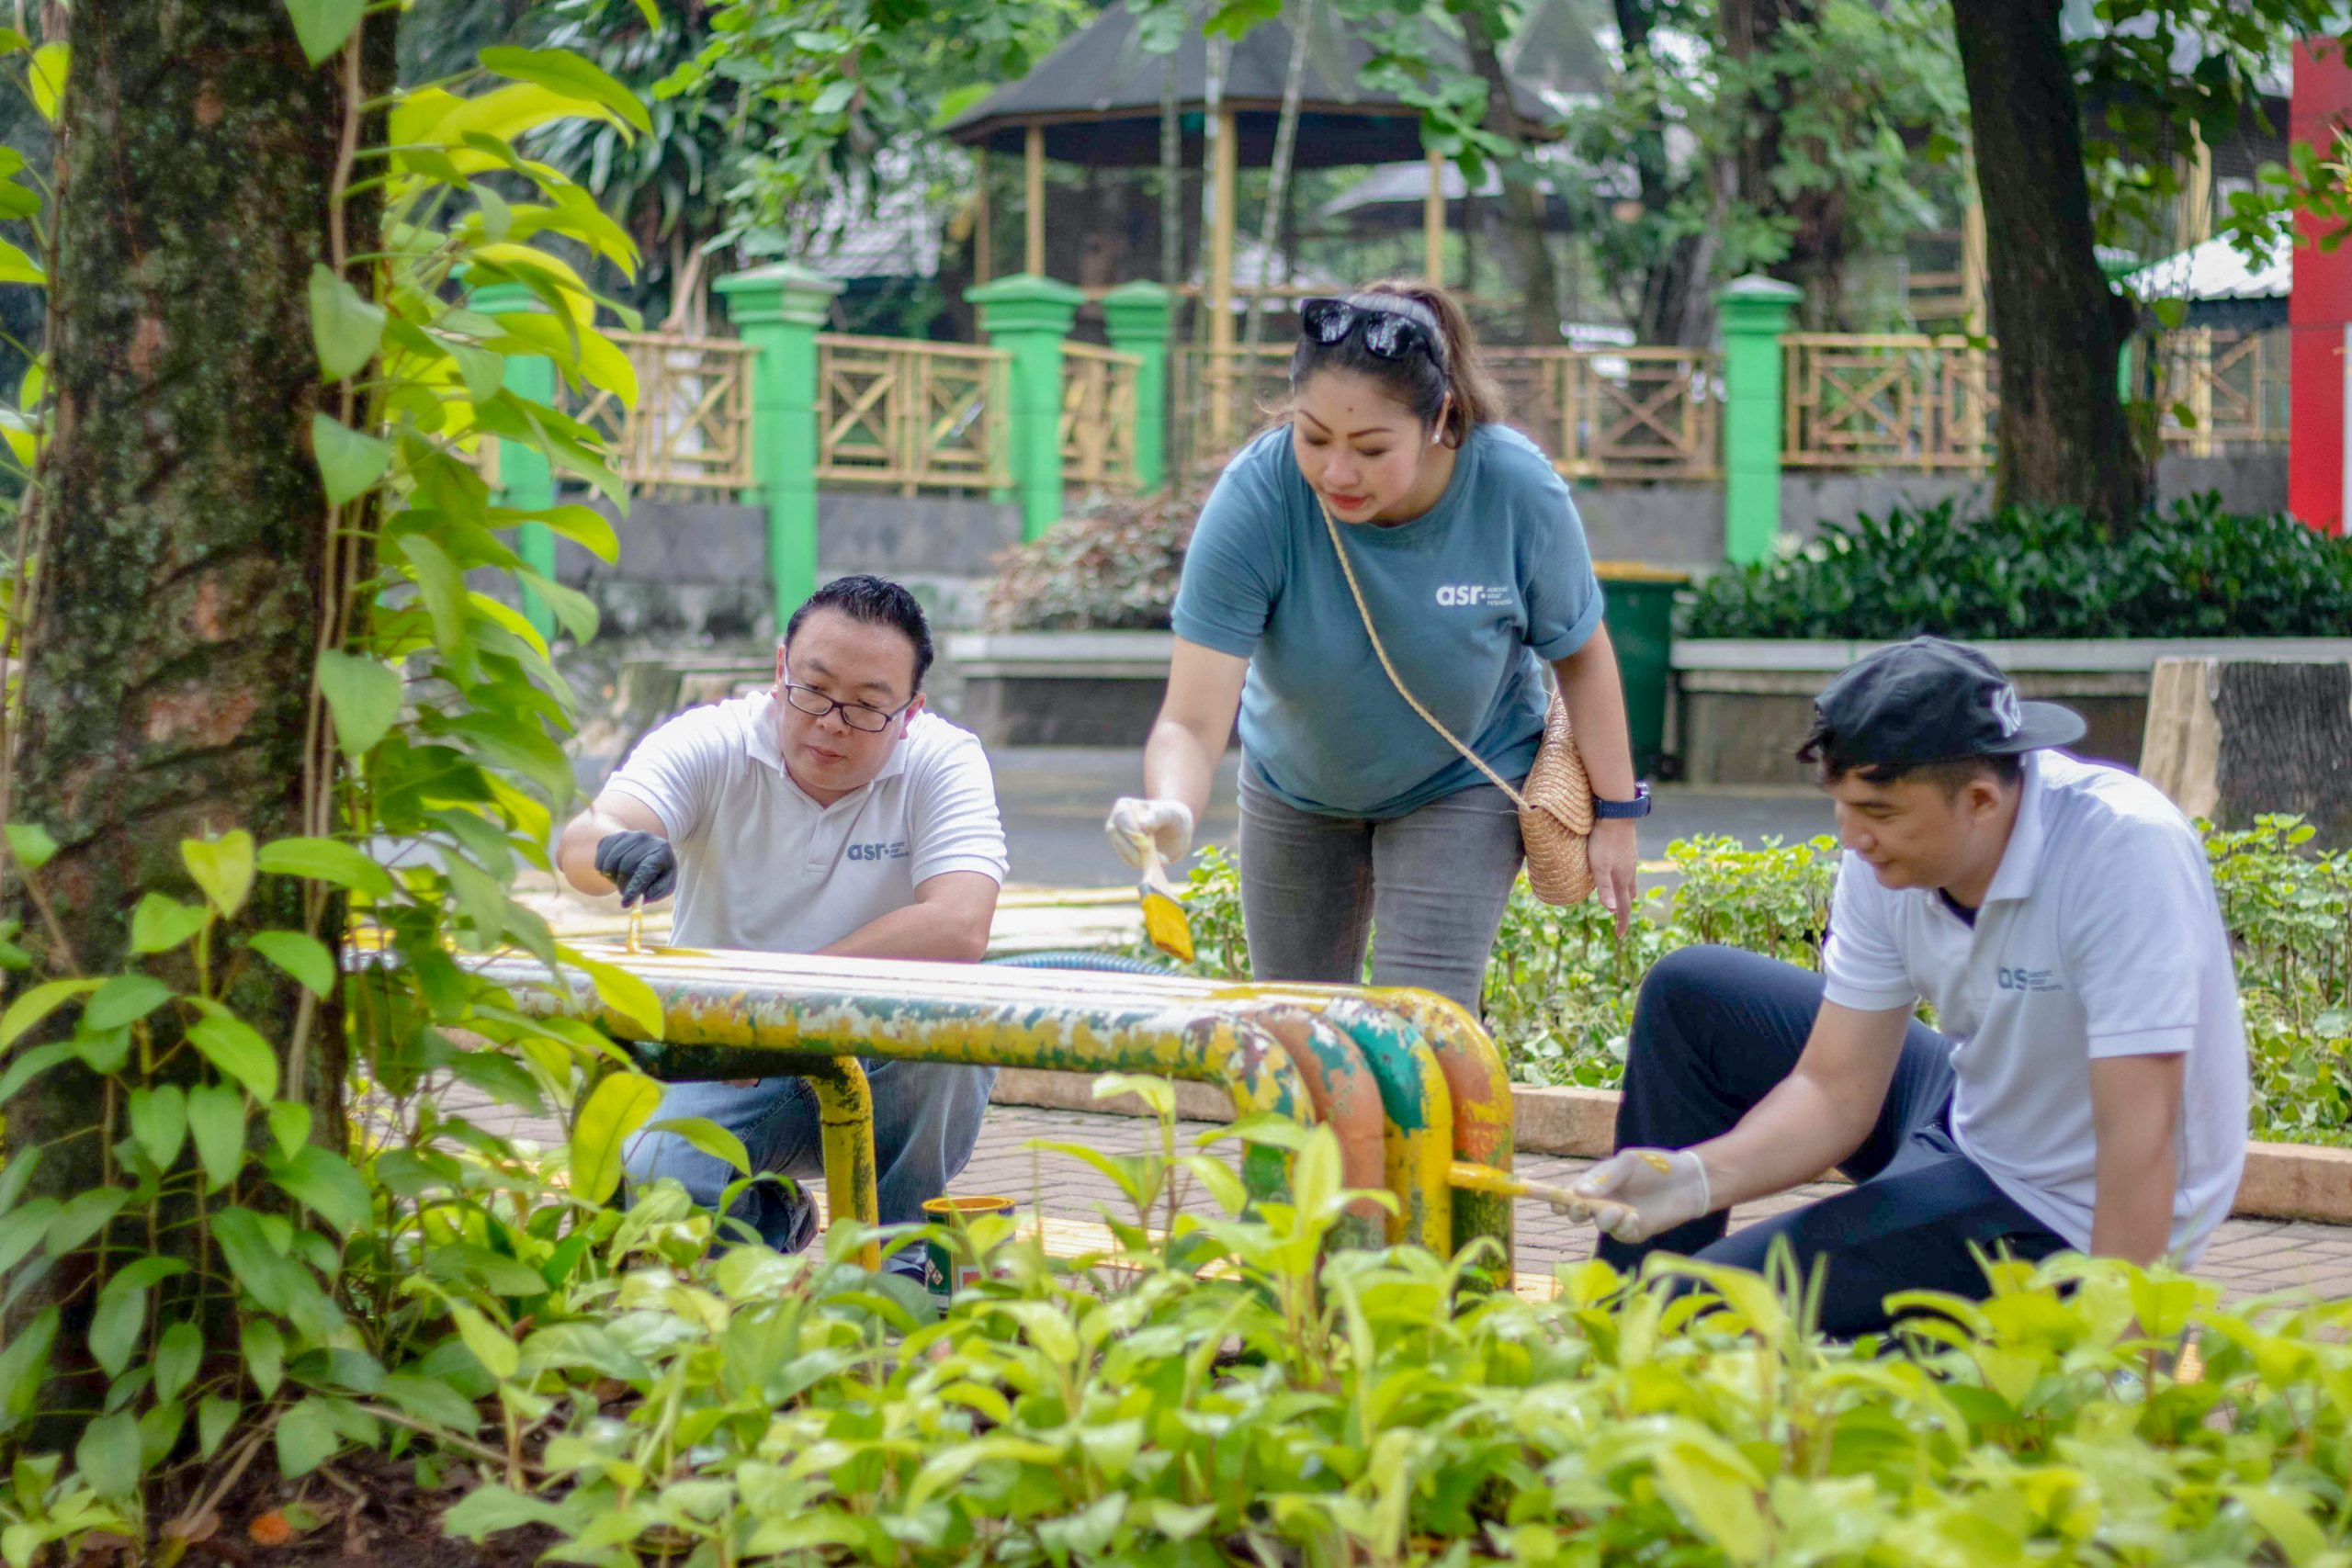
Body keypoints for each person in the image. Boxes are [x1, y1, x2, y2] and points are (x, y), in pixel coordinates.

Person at [1567, 637, 2248, 1336]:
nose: (1854, 837)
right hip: (1976, 1107)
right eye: (1844, 806)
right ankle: (1621, 1339)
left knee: (1703, 1304)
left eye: (1879, 812)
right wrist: (1691, 1178)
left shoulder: (2122, 852)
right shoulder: (1887, 852)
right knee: (1692, 994)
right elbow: (1835, 1091)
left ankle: (1668, 1327)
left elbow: (2141, 1135)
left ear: (1980, 800)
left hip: (2060, 1206)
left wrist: (2121, 1362)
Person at [1104, 283, 1647, 1013]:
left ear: (1440, 419)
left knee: (1417, 1027)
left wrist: (1616, 815)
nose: (1337, 472)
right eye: (1313, 437)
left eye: (1370, 448)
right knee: (1297, 1027)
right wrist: (1171, 806)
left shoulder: (1515, 488)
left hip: (1460, 777)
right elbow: (1192, 720)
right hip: (1295, 783)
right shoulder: (1258, 497)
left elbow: (1581, 656)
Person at [557, 574, 1008, 1269]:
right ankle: (767, 1214)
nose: (831, 722)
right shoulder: (714, 739)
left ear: (911, 711)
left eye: (867, 707)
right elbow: (584, 838)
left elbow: (960, 924)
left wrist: (774, 1006)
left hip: (875, 1048)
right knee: (655, 1178)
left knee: (955, 1031)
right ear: (779, 670)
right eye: (813, 689)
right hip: (722, 1064)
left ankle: (901, 1256)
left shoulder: (944, 759)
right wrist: (617, 848)